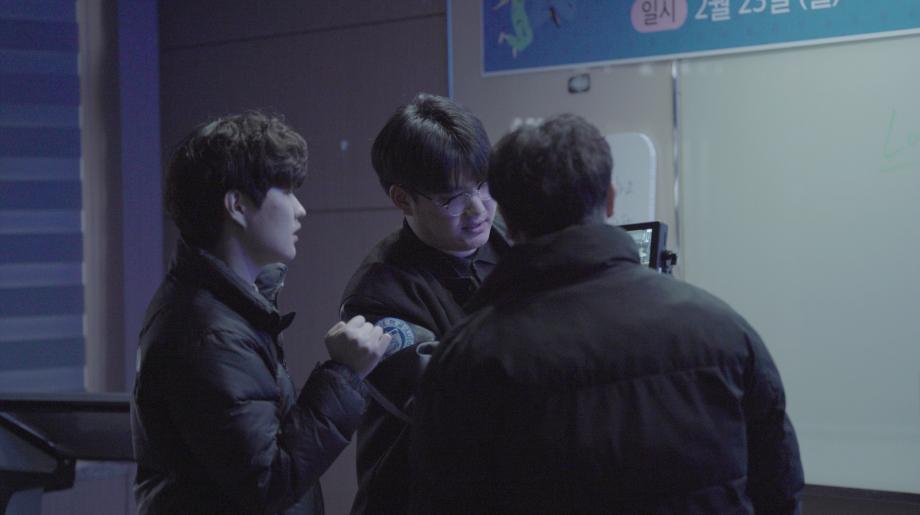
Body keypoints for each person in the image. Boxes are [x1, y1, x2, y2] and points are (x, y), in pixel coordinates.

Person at [410, 114, 804, 513]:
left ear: (507, 220)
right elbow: (780, 490)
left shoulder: (467, 359)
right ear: (612, 198)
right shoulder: (724, 330)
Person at [130, 111, 390, 515]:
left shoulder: (224, 307)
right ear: (237, 205)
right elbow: (268, 481)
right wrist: (344, 375)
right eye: (286, 191)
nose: (301, 210)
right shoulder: (208, 333)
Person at [339, 93, 509, 514]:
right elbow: (452, 407)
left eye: (483, 185)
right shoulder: (378, 294)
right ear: (403, 199)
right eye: (452, 198)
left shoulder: (511, 243)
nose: (478, 208)